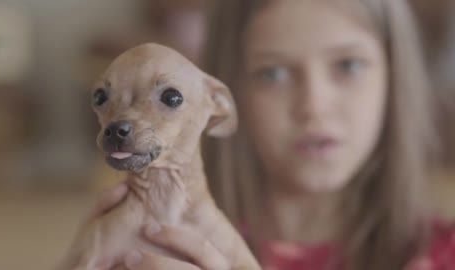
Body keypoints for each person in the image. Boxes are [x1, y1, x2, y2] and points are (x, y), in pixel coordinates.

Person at [66, 0, 455, 269]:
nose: (314, 106)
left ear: (394, 78)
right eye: (274, 73)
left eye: (349, 66)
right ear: (227, 97)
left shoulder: (442, 255)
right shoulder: (165, 235)